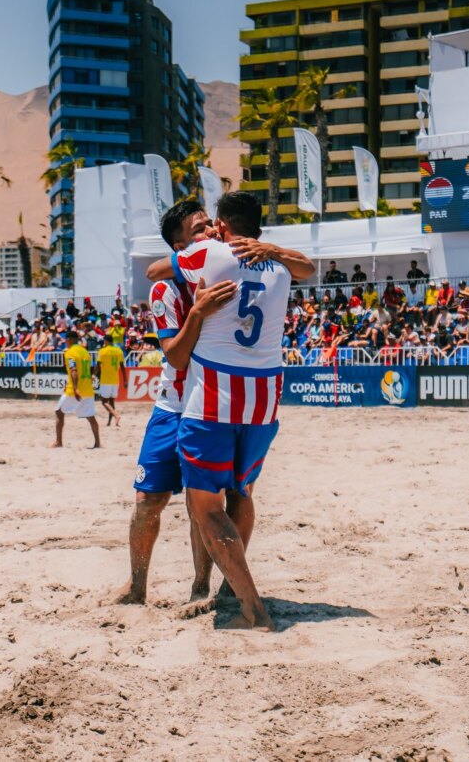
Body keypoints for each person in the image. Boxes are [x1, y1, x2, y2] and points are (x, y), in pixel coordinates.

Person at [166, 192, 304, 632]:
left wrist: (196, 247)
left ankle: (252, 608)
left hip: (214, 393)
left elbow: (158, 269)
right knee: (242, 494)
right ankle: (230, 585)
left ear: (223, 225)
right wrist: (273, 250)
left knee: (204, 506)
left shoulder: (209, 252)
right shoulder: (283, 266)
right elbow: (310, 267)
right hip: (264, 395)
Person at [112, 201, 232, 607]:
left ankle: (200, 589)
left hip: (213, 406)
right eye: (200, 229)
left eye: (211, 225)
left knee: (204, 504)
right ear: (180, 246)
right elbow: (175, 357)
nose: (211, 233)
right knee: (148, 501)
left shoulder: (229, 269)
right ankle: (136, 586)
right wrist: (198, 312)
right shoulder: (166, 289)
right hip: (174, 404)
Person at [53, 329, 100, 448]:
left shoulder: (70, 352)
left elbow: (74, 371)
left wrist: (75, 388)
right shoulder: (85, 352)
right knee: (90, 416)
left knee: (59, 412)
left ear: (69, 340)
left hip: (75, 390)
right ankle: (97, 442)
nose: (65, 342)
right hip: (88, 389)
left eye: (66, 340)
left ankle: (59, 442)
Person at [95, 336, 126, 427]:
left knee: (104, 401)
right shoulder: (119, 351)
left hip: (106, 379)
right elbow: (122, 367)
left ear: (106, 341)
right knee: (111, 402)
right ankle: (110, 422)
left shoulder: (103, 351)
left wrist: (93, 375)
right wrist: (125, 380)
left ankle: (116, 415)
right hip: (115, 379)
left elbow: (98, 365)